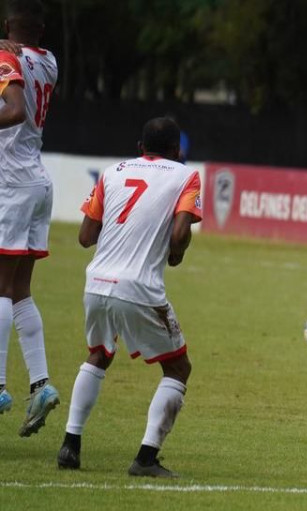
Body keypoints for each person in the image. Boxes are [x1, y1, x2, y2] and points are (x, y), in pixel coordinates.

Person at [57, 118, 202, 478]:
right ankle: (146, 458)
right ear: (177, 150)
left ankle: (70, 446)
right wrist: (177, 252)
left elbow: (85, 236)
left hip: (96, 281)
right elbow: (181, 231)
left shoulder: (111, 172)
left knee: (99, 354)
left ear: (141, 146)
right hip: (138, 286)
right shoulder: (185, 175)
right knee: (178, 368)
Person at [0, 0, 60, 437]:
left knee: (0, 286)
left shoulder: (6, 57)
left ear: (7, 26)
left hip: (12, 181)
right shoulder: (49, 60)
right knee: (21, 289)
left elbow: (15, 109)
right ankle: (40, 385)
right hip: (39, 180)